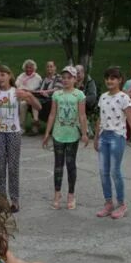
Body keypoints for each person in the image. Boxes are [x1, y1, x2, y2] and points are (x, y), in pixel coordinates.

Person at [0, 64, 40, 213]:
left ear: (9, 75)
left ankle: (14, 200)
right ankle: (1, 200)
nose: (0, 78)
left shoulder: (17, 92)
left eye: (3, 74)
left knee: (13, 168)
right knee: (0, 168)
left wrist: (29, 96)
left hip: (14, 133)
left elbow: (38, 107)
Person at [95, 67, 131, 220]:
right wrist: (96, 138)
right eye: (107, 78)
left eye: (113, 78)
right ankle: (108, 202)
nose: (109, 81)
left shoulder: (124, 98)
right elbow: (100, 119)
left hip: (117, 137)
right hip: (103, 136)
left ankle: (121, 204)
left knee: (115, 171)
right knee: (103, 171)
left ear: (120, 80)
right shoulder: (103, 97)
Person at [41, 66, 88, 210]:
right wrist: (47, 133)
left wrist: (85, 133)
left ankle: (71, 194)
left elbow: (82, 115)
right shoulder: (57, 94)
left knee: (71, 164)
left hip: (72, 135)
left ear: (75, 79)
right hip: (58, 134)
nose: (66, 80)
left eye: (69, 77)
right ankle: (57, 194)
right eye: (64, 77)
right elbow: (52, 114)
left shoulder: (79, 95)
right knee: (58, 165)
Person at [16, 59, 43, 134]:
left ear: (34, 68)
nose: (28, 69)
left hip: (32, 98)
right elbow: (17, 85)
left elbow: (34, 90)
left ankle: (26, 127)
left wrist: (24, 89)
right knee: (19, 103)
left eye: (30, 68)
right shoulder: (21, 76)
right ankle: (18, 126)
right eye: (27, 67)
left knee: (23, 103)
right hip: (21, 96)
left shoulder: (37, 77)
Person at [34, 61, 63, 128]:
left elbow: (57, 89)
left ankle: (37, 124)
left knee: (35, 101)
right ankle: (36, 122)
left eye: (51, 66)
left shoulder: (58, 78)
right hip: (42, 98)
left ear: (55, 68)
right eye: (47, 66)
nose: (49, 68)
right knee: (32, 100)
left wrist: (46, 92)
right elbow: (39, 89)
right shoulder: (44, 79)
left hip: (52, 98)